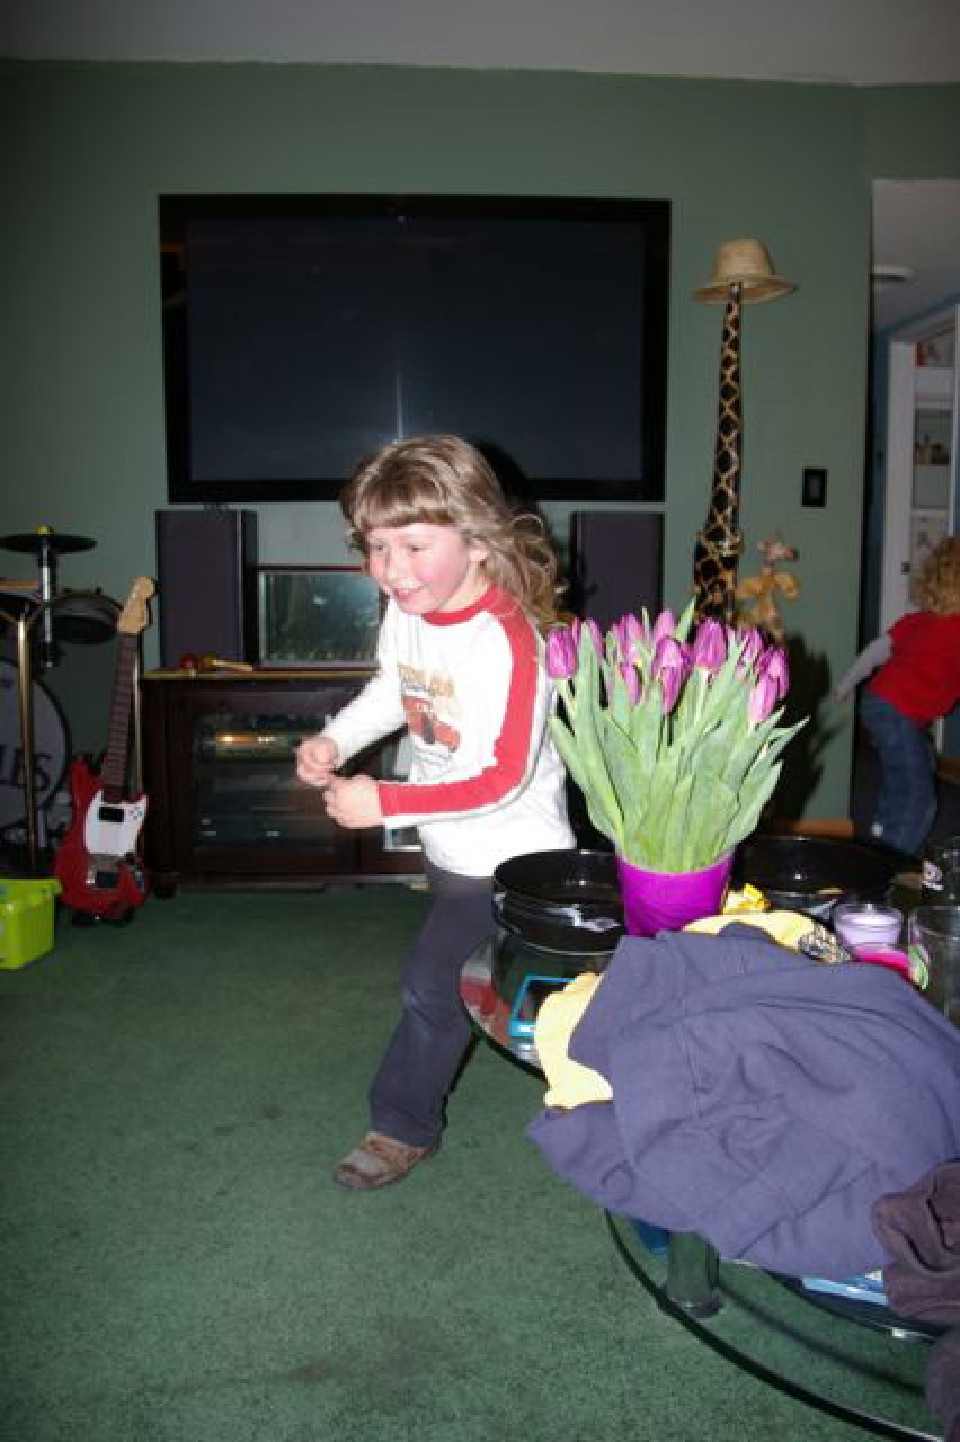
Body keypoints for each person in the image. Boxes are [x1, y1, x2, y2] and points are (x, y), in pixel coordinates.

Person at [295, 435, 575, 1190]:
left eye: (414, 546)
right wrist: (335, 739)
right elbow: (393, 692)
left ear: (479, 542)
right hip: (451, 845)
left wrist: (383, 801)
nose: (392, 569)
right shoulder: (408, 608)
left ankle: (401, 1125)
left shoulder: (511, 642)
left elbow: (502, 778)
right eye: (377, 546)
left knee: (433, 985)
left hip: (511, 857)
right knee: (504, 981)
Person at [835, 537, 960, 856]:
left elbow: (876, 651)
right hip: (895, 709)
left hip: (881, 702)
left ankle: (880, 832)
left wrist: (847, 684)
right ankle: (893, 860)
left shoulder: (917, 621)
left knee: (909, 769)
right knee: (918, 797)